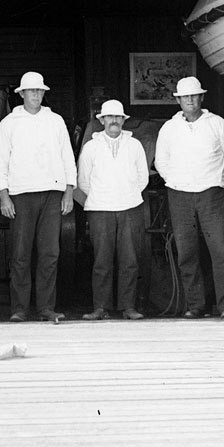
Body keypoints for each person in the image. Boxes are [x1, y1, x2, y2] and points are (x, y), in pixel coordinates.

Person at [154, 75, 224, 319]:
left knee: (221, 250)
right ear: (179, 100)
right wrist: (178, 180)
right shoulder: (170, 128)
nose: (190, 100)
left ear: (201, 97)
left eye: (194, 96)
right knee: (187, 252)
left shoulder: (217, 124)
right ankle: (195, 305)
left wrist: (218, 179)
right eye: (185, 97)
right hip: (179, 195)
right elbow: (161, 161)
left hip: (211, 194)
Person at [0, 72, 76, 322]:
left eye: (39, 91)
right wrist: (4, 195)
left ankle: (45, 308)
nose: (36, 95)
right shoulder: (9, 122)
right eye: (31, 91)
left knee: (50, 253)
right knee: (20, 253)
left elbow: (67, 157)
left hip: (52, 193)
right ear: (21, 94)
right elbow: (0, 161)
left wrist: (69, 191)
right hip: (21, 194)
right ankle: (19, 308)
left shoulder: (56, 121)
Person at [75, 99, 149, 321]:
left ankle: (128, 307)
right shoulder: (91, 147)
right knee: (102, 260)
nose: (114, 121)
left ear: (123, 120)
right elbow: (83, 181)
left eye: (118, 117)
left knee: (129, 259)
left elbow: (142, 177)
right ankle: (101, 307)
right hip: (100, 209)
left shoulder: (134, 145)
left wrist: (127, 195)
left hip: (129, 208)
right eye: (110, 117)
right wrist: (101, 197)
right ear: (102, 120)